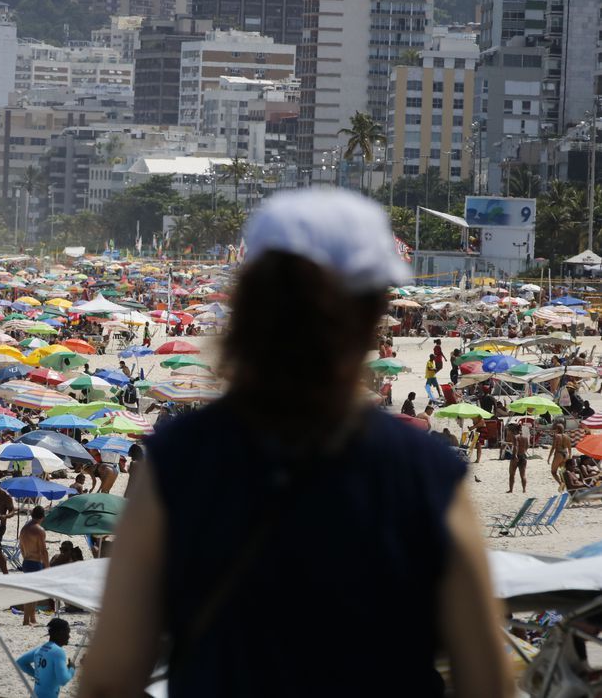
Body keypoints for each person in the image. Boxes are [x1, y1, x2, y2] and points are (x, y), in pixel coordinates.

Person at [78, 189, 508, 697]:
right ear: (374, 312)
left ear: (248, 304)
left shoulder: (181, 458)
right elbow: (486, 679)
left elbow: (111, 678)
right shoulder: (422, 469)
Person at [17, 618, 76, 698]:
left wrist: (38, 676)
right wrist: (71, 669)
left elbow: (20, 662)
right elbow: (63, 680)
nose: (69, 636)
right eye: (68, 632)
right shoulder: (58, 652)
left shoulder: (40, 648)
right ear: (61, 632)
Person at [19, 505, 50, 625]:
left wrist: (26, 557)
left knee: (32, 591)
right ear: (43, 516)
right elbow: (43, 551)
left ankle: (32, 618)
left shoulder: (24, 529)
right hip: (35, 563)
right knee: (33, 593)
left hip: (26, 561)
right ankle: (26, 620)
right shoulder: (39, 530)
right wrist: (47, 567)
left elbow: (21, 547)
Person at [550, 423, 572, 488]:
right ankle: (564, 483)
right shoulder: (567, 436)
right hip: (565, 455)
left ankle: (561, 483)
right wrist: (570, 456)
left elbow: (553, 447)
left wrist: (549, 457)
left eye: (556, 429)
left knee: (553, 472)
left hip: (558, 454)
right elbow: (569, 448)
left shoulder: (556, 436)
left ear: (558, 429)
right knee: (562, 471)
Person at [510, 423, 529, 494]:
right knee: (523, 475)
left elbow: (516, 446)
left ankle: (511, 490)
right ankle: (524, 489)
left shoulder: (515, 437)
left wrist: (515, 455)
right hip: (523, 456)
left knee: (512, 474)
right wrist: (524, 451)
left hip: (516, 456)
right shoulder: (525, 438)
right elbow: (527, 446)